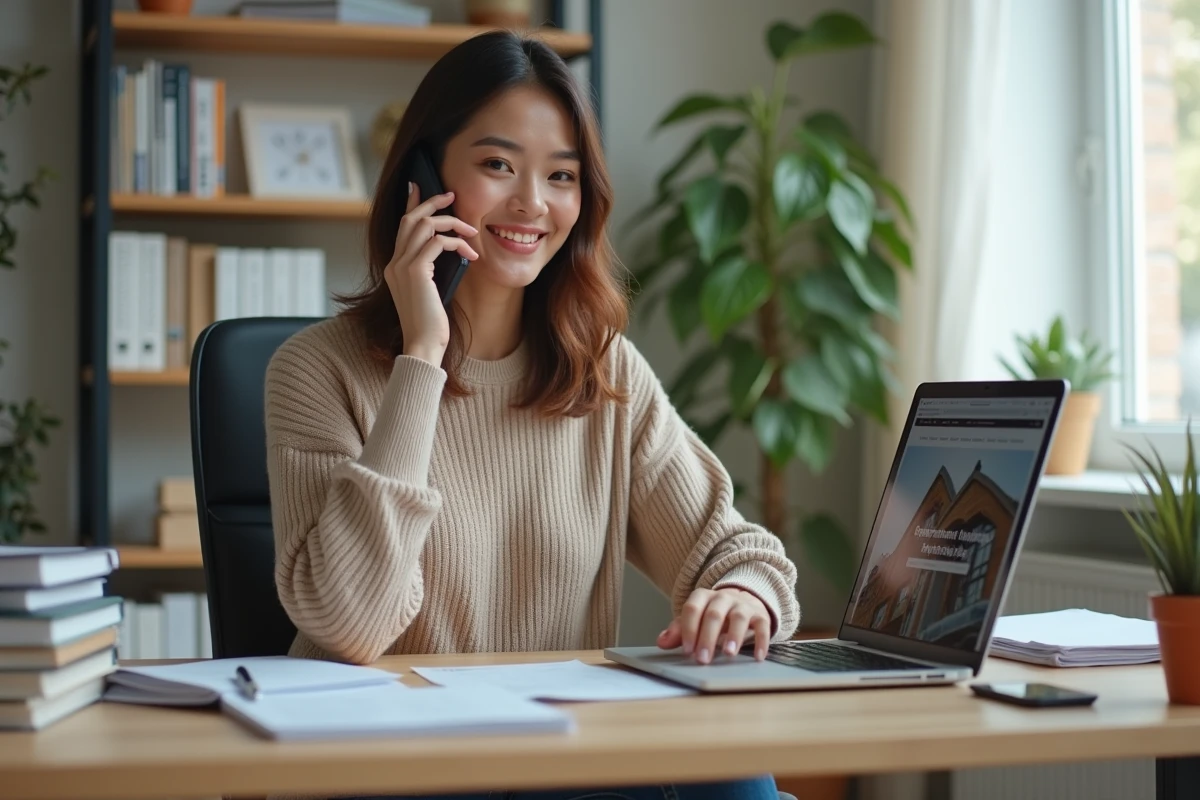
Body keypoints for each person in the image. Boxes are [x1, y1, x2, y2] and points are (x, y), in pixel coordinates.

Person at [264, 28, 801, 800]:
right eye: (497, 165)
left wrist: (741, 595)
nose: (532, 205)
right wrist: (422, 355)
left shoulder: (603, 371)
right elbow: (350, 625)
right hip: (390, 766)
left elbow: (736, 550)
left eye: (562, 176)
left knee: (735, 768)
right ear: (422, 176)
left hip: (563, 761)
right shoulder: (315, 370)